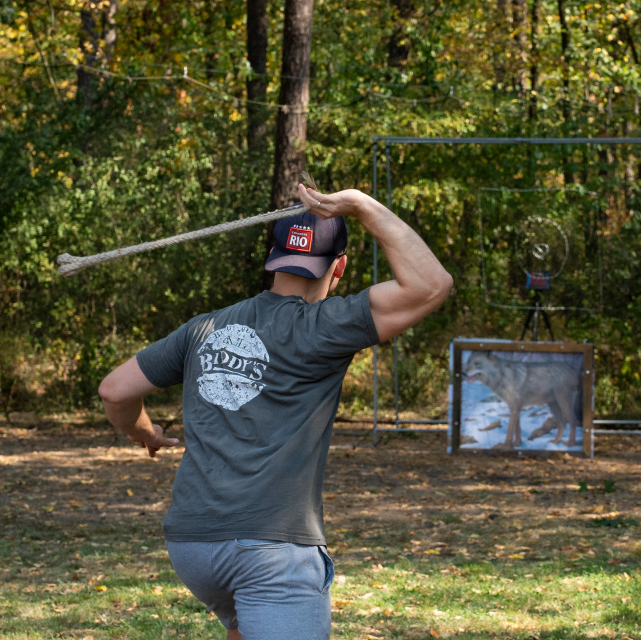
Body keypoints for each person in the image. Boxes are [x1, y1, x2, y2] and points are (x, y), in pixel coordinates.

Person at [98, 184, 452, 640]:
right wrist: (364, 206)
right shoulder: (324, 328)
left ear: (272, 257)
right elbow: (431, 284)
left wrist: (145, 434)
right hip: (272, 550)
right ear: (339, 266)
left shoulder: (204, 328)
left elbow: (114, 392)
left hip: (192, 546)